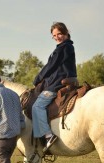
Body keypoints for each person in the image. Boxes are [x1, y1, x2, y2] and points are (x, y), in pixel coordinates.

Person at [32, 22, 77, 152]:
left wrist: (38, 79)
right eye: (54, 35)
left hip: (58, 84)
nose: (57, 37)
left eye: (59, 34)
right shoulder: (64, 47)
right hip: (57, 81)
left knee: (37, 106)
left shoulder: (64, 48)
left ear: (66, 32)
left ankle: (48, 135)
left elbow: (50, 66)